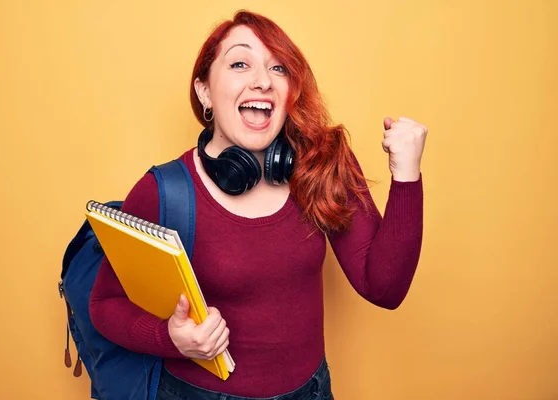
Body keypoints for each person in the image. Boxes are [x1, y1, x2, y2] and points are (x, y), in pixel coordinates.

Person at [89, 9, 426, 400]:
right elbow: (104, 304)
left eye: (279, 68)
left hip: (311, 391)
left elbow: (384, 287)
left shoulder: (322, 165)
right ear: (204, 91)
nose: (263, 80)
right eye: (239, 63)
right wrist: (171, 338)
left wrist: (407, 176)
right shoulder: (164, 190)